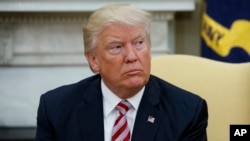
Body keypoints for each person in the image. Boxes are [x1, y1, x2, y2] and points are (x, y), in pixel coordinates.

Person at [35, 4, 208, 141]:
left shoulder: (187, 112)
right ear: (94, 60)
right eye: (117, 47)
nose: (132, 56)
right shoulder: (56, 108)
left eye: (139, 43)